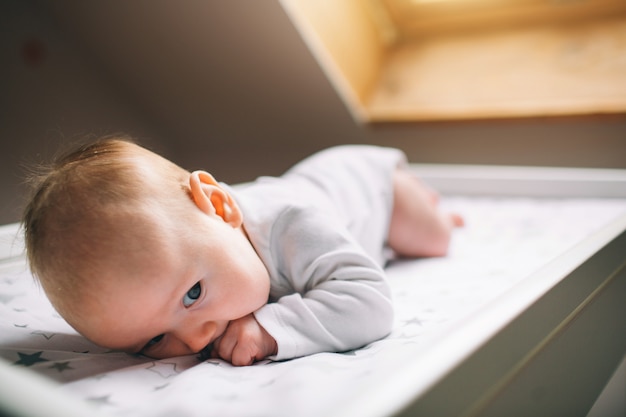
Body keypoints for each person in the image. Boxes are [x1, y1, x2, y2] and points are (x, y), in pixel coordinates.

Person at [22, 135, 463, 366]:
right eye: (153, 341)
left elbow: (370, 302)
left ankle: (428, 200)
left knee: (431, 239)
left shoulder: (295, 224)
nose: (196, 339)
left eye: (193, 294)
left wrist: (273, 328)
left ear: (220, 206)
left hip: (371, 185)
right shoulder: (199, 256)